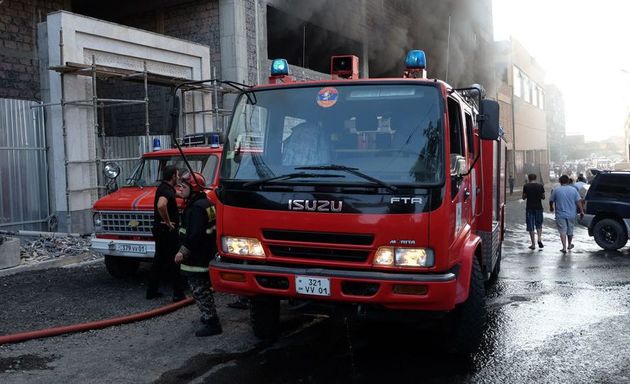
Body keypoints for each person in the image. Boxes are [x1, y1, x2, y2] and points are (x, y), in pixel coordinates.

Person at [174, 171, 222, 337]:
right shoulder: (206, 203)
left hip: (196, 257)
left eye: (184, 186)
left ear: (193, 188)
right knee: (204, 288)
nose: (181, 189)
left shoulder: (195, 208)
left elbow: (194, 234)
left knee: (199, 289)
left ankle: (211, 322)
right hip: (206, 253)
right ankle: (208, 316)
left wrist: (182, 251)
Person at [147, 165, 186, 301]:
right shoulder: (167, 191)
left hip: (159, 230)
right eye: (177, 175)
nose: (179, 177)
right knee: (174, 261)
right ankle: (178, 294)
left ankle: (151, 292)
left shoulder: (164, 187)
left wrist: (182, 194)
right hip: (167, 231)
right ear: (173, 177)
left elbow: (172, 194)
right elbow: (161, 205)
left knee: (158, 260)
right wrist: (168, 222)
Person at [549, 175, 585, 253]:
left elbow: (551, 200)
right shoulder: (573, 190)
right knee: (570, 230)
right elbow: (578, 201)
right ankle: (569, 245)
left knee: (562, 230)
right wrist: (582, 211)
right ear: (568, 181)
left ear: (560, 181)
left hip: (560, 214)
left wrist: (551, 207)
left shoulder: (556, 190)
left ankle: (564, 247)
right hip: (572, 214)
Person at [522, 173, 545, 249]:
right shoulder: (540, 186)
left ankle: (533, 244)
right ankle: (539, 238)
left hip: (530, 208)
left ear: (528, 178)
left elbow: (523, 197)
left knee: (531, 226)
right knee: (539, 224)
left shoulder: (526, 186)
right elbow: (543, 197)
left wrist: (527, 194)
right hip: (539, 208)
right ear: (536, 178)